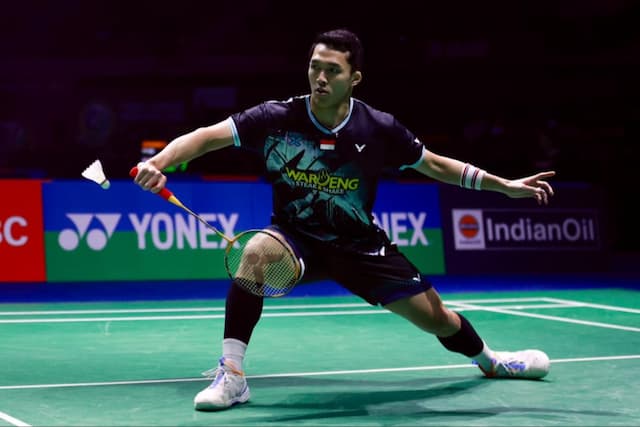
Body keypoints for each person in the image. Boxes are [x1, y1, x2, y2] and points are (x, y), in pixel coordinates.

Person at [132, 28, 555, 411]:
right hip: (295, 239)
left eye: (332, 71)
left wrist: (503, 185)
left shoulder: (378, 128)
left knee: (438, 318)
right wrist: (159, 163)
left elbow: (436, 165)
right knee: (254, 254)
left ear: (354, 78)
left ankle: (491, 361)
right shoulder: (278, 118)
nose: (320, 78)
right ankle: (233, 375)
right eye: (315, 67)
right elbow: (206, 137)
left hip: (360, 246)